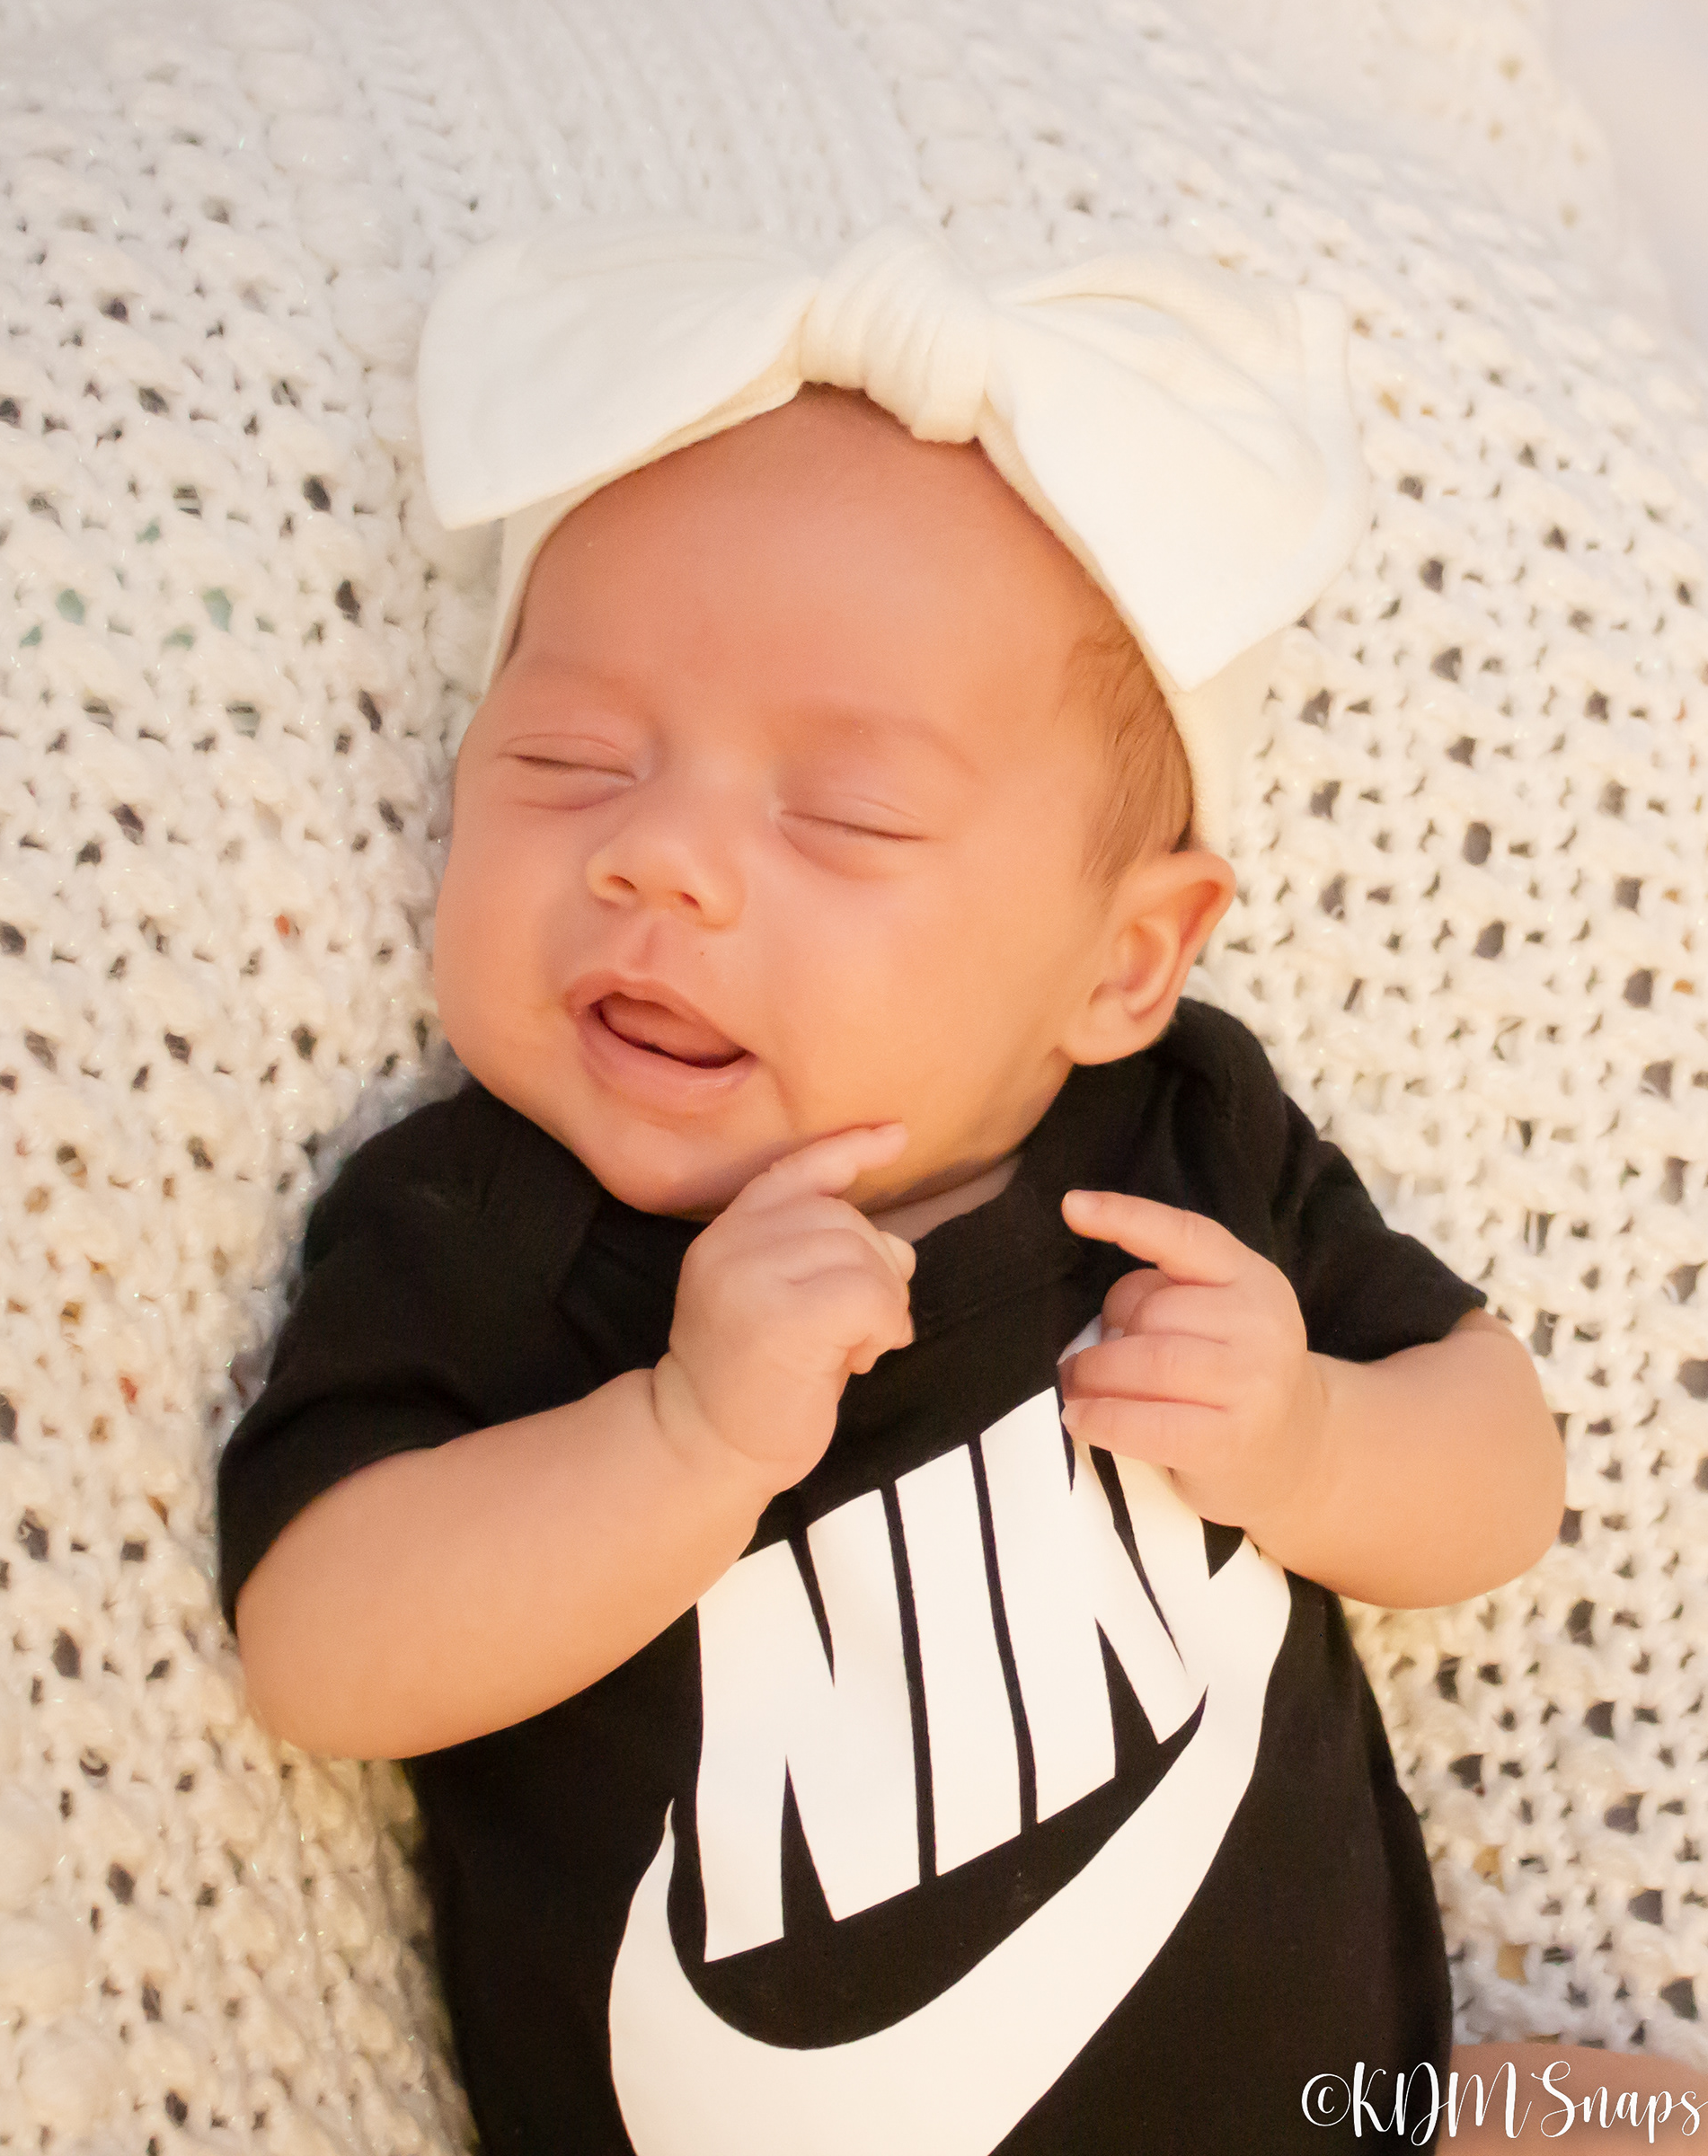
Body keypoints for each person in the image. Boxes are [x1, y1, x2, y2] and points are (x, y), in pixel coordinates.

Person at [218, 221, 1573, 2152]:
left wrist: (1315, 1442)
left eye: (842, 814)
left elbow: (1505, 1469)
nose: (661, 860)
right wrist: (682, 1441)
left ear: (1125, 961)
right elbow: (320, 1648)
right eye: (571, 761)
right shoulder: (486, 1223)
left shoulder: (1184, 1142)